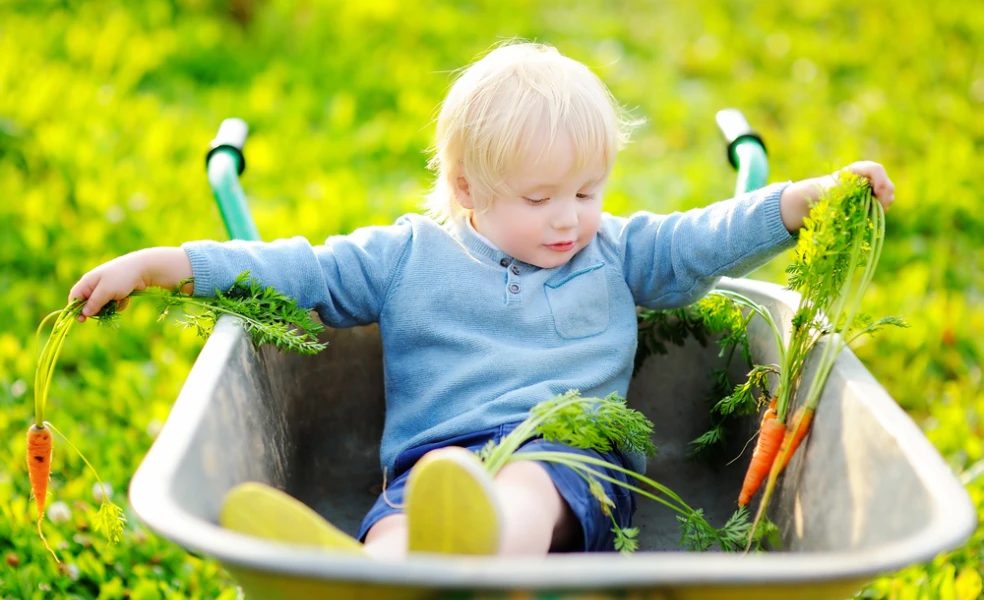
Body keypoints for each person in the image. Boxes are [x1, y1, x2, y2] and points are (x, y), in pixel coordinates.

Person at [69, 41, 895, 559]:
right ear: (466, 188)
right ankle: (375, 577)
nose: (569, 217)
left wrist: (801, 200)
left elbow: (700, 238)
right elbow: (301, 275)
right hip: (437, 467)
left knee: (527, 489)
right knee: (415, 509)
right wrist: (165, 263)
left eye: (587, 191)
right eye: (539, 200)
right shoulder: (406, 257)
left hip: (572, 460)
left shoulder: (616, 253)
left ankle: (482, 558)